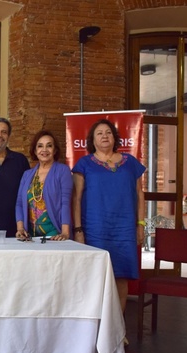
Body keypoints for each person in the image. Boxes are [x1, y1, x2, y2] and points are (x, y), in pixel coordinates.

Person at [72, 118, 145, 317]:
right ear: (92, 140)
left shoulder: (131, 163)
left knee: (121, 279)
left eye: (108, 132)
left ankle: (117, 331)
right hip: (95, 229)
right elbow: (76, 199)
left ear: (114, 137)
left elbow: (140, 194)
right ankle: (96, 328)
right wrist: (78, 230)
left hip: (124, 229)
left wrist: (140, 224)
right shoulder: (84, 164)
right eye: (99, 133)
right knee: (96, 278)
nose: (105, 136)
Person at [15, 130, 73, 241]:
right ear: (35, 151)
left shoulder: (62, 171)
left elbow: (65, 203)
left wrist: (65, 233)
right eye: (40, 146)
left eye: (49, 146)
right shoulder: (27, 174)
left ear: (55, 150)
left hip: (55, 234)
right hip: (30, 236)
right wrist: (20, 228)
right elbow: (19, 204)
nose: (44, 150)